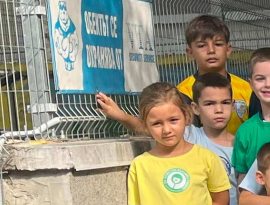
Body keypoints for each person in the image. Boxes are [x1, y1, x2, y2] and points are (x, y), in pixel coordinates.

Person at [125, 83, 231, 205]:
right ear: (145, 124)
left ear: (186, 116)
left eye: (173, 120)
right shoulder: (140, 166)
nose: (166, 130)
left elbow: (222, 201)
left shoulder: (206, 158)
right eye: (157, 124)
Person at [98, 14, 251, 134]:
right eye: (202, 46)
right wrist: (122, 117)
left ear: (228, 49)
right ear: (190, 52)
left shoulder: (246, 89)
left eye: (218, 44)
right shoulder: (183, 93)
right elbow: (164, 130)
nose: (211, 50)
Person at [184, 71, 241, 205]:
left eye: (225, 103)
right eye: (209, 103)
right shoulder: (189, 136)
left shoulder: (240, 145)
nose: (218, 110)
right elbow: (153, 125)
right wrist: (122, 116)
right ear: (195, 108)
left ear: (232, 105)